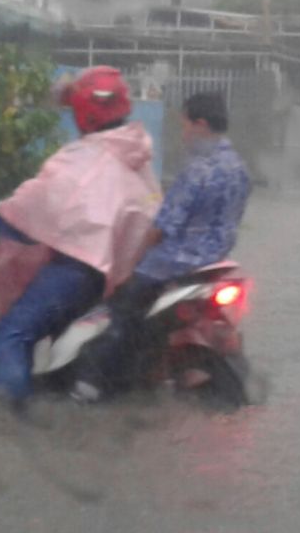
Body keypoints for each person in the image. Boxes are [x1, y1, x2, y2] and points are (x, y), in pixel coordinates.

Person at [0, 66, 160, 407]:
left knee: (8, 336)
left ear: (84, 114)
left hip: (74, 271)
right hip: (108, 278)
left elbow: (37, 199)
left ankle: (10, 427)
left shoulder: (85, 158)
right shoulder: (137, 155)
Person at [71, 92, 251, 401]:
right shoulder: (240, 169)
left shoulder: (198, 171)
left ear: (201, 124)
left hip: (172, 264)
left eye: (185, 126)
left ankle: (89, 387)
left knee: (119, 311)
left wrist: (130, 266)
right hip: (214, 264)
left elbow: (161, 228)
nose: (183, 135)